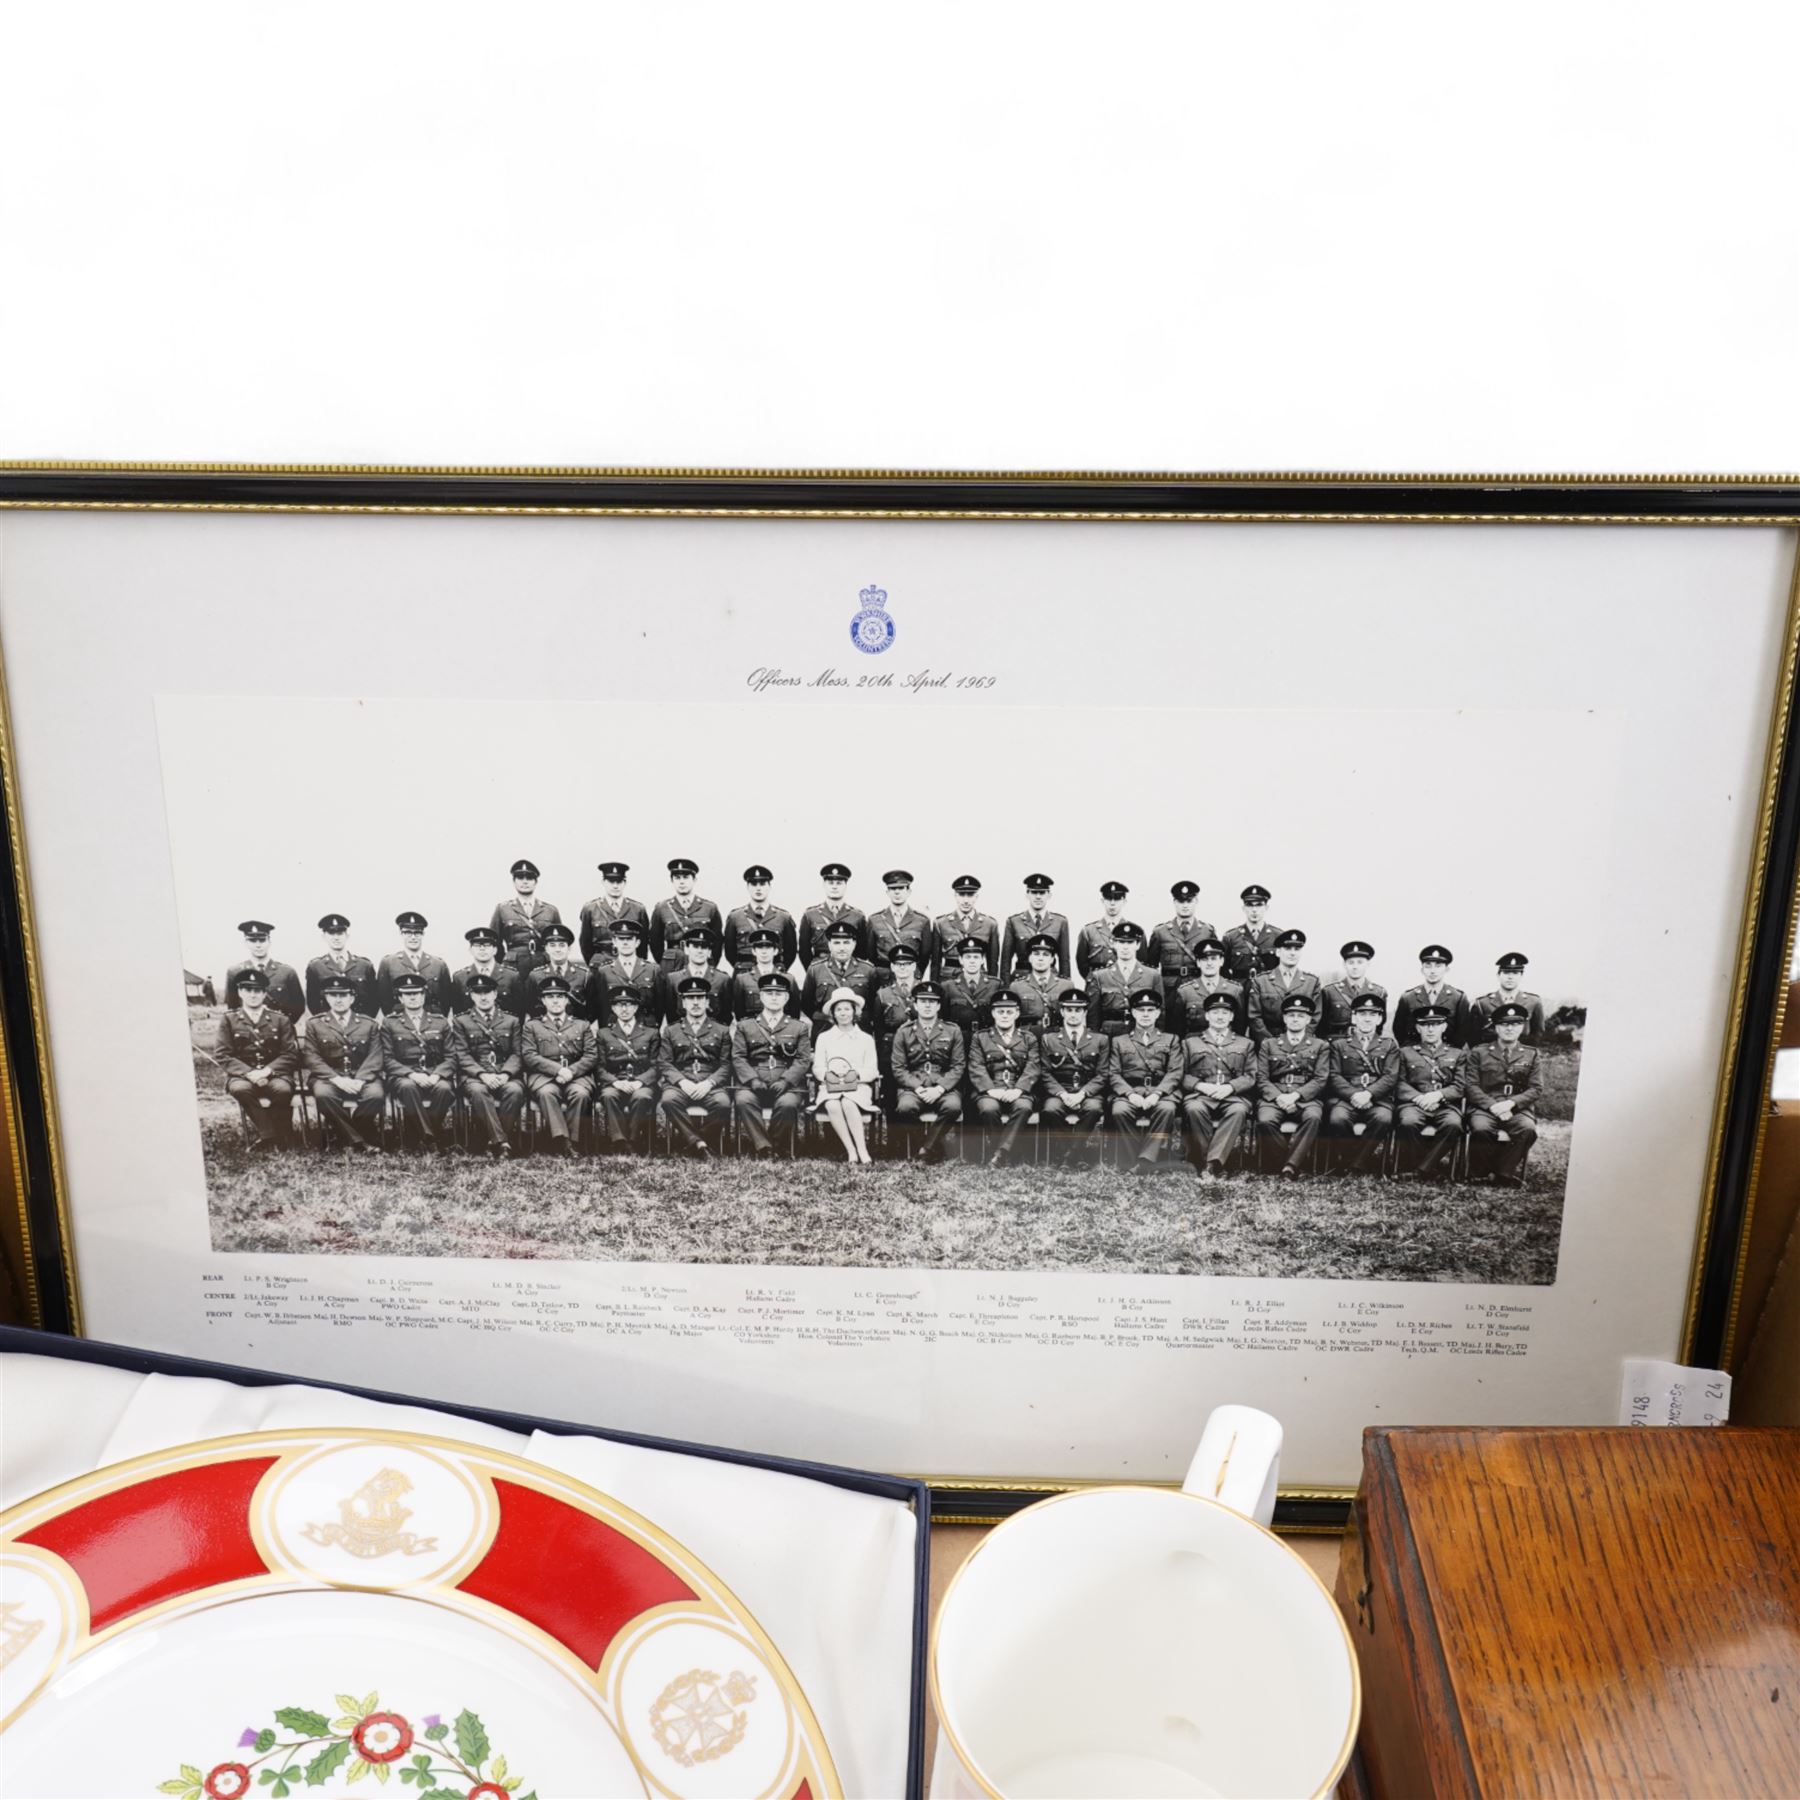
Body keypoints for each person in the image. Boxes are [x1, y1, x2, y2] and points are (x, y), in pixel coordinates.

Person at [216, 968, 299, 1152]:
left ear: (264, 993)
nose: (253, 995)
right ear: (239, 992)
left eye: (258, 991)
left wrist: (267, 1071)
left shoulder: (280, 1019)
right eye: (248, 990)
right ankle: (272, 1136)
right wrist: (249, 1073)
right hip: (243, 1075)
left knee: (283, 1090)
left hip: (275, 1074)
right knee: (240, 1089)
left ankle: (275, 1135)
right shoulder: (229, 1020)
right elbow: (223, 1054)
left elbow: (289, 1054)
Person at [301, 974, 385, 1153]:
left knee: (375, 1095)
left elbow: (375, 1056)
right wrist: (337, 1079)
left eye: (343, 995)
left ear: (352, 998)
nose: (338, 1000)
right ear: (326, 997)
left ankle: (345, 1135)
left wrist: (360, 1080)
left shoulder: (368, 1024)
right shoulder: (314, 1024)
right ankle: (359, 1141)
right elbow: (312, 1057)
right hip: (328, 1077)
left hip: (361, 1076)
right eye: (333, 995)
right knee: (324, 1095)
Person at [732, 973, 812, 1158]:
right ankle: (765, 1147)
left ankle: (772, 1144)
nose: (774, 998)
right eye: (769, 993)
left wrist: (786, 1081)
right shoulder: (746, 1026)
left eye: (779, 994)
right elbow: (738, 1057)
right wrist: (752, 1080)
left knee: (788, 1105)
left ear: (786, 998)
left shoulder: (798, 1027)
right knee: (743, 1100)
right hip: (754, 1082)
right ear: (761, 997)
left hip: (786, 1085)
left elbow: (803, 1059)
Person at [1180, 990, 1256, 1182]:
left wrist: (1230, 1087)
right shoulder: (1190, 1043)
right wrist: (1200, 1086)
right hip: (1201, 1095)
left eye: (1224, 1013)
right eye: (1215, 1012)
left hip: (1231, 1096)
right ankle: (1213, 1163)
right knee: (1194, 1109)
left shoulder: (1245, 1043)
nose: (1220, 1017)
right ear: (1207, 1015)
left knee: (1238, 1111)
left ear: (1231, 1016)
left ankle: (1211, 1164)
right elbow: (1180, 1074)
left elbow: (1251, 1075)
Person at [1464, 1002, 1540, 1185]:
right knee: (1481, 1128)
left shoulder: (1532, 1054)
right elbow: (1471, 1085)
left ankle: (1503, 1173)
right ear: (1496, 1027)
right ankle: (1480, 1174)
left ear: (1522, 1027)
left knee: (1527, 1129)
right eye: (1504, 1024)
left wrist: (1510, 1104)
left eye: (1515, 1024)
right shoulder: (1479, 1052)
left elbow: (1536, 1088)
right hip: (1485, 1106)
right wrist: (1493, 1106)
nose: (1509, 1029)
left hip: (1516, 1108)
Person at [450, 972, 525, 1158]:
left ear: (495, 994)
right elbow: (462, 1054)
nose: (483, 997)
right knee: (478, 1092)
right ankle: (502, 1142)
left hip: (504, 1073)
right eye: (478, 993)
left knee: (515, 1091)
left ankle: (490, 1141)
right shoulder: (461, 1021)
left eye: (487, 992)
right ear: (471, 995)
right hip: (476, 1076)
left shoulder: (512, 1020)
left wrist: (506, 1074)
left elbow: (517, 1053)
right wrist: (483, 1075)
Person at [658, 975, 734, 1158]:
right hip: (681, 1083)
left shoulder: (721, 1030)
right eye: (690, 998)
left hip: (709, 1083)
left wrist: (709, 1083)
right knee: (668, 1100)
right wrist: (682, 1082)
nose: (695, 1003)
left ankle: (694, 1141)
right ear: (683, 1003)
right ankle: (699, 1143)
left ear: (707, 1001)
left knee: (723, 1104)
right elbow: (664, 1062)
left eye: (700, 998)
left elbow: (726, 1064)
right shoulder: (671, 1030)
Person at [890, 979, 966, 1162]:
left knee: (953, 1107)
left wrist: (940, 1088)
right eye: (923, 1001)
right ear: (915, 1004)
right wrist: (917, 1087)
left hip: (942, 1084)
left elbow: (958, 1066)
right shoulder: (904, 1031)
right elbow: (898, 1067)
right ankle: (926, 1146)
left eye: (932, 1002)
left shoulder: (952, 1030)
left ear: (939, 1005)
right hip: (914, 1085)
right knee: (905, 1108)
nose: (927, 1006)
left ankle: (926, 1149)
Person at [380, 971, 456, 1153]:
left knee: (445, 1089)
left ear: (423, 995)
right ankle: (430, 1137)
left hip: (434, 1071)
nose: (413, 997)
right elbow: (387, 1058)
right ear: (400, 997)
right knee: (408, 1087)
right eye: (407, 994)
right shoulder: (390, 1023)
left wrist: (437, 1074)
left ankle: (419, 1136)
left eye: (417, 993)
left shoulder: (440, 1022)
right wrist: (412, 1074)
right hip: (404, 1074)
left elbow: (451, 1057)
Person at [523, 974, 598, 1157]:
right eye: (550, 997)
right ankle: (563, 1142)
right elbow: (529, 1055)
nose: (555, 1001)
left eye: (559, 997)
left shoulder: (582, 1025)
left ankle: (573, 1140)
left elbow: (591, 1055)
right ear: (543, 1000)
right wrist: (557, 1070)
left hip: (576, 1076)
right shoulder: (532, 1026)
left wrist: (570, 1072)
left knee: (580, 1094)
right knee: (547, 1093)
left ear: (566, 1000)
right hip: (545, 1076)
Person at [1256, 993, 1330, 1179]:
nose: (1295, 1019)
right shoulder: (1269, 1044)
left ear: (1308, 1020)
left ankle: (1289, 1166)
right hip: (1275, 1096)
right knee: (1265, 1120)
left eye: (1300, 1016)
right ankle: (1290, 1160)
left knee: (1313, 1117)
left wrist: (1295, 1096)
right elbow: (1262, 1077)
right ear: (1284, 1018)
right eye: (1291, 1015)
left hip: (1305, 1098)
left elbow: (1320, 1079)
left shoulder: (1319, 1045)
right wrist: (1279, 1097)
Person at [1109, 990, 1184, 1172]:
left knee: (1166, 1109)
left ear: (1158, 1013)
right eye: (1140, 1011)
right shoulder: (1120, 1041)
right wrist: (1130, 1094)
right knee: (1120, 1110)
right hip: (1131, 1090)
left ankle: (1146, 1160)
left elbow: (1175, 1071)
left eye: (1150, 1011)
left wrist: (1158, 1093)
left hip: (1161, 1091)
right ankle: (1134, 1156)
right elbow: (1113, 1073)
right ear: (1133, 1013)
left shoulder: (1170, 1039)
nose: (1145, 1015)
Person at [1327, 993, 1400, 1174]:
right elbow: (1334, 1075)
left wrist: (1369, 1094)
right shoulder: (1339, 1045)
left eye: (1372, 1014)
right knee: (1337, 1119)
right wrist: (1353, 1095)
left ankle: (1355, 1163)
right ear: (1353, 1017)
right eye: (1362, 1014)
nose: (1367, 1019)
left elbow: (1390, 1076)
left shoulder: (1389, 1045)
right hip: (1347, 1098)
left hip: (1377, 1098)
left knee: (1383, 1118)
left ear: (1380, 1018)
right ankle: (1353, 1158)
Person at [969, 989, 1040, 1168]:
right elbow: (976, 1066)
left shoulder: (1028, 1038)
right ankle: (1001, 1152)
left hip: (1018, 1089)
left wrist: (1018, 1090)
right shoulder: (981, 1037)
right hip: (991, 1089)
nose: (1005, 1016)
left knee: (1024, 1107)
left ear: (1017, 1013)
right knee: (988, 1108)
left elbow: (1033, 1067)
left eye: (1009, 1012)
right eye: (1000, 1012)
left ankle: (1000, 1154)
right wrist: (991, 1089)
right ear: (993, 1013)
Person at [1038, 987, 1110, 1163]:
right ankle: (1074, 1153)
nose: (1073, 1014)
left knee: (1094, 1109)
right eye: (1069, 1010)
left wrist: (1082, 1094)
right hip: (1060, 1091)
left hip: (1087, 1092)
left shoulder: (1100, 1039)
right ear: (1062, 1011)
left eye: (1078, 1010)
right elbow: (1045, 1072)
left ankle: (1069, 1156)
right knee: (1050, 1109)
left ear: (1085, 1012)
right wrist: (1062, 1094)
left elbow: (1102, 1074)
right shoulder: (1050, 1039)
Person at [1396, 1003, 1466, 1180]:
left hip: (1446, 1105)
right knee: (1408, 1122)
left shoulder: (1458, 1054)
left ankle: (1422, 1169)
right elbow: (1399, 1083)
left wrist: (1439, 1095)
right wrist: (1419, 1098)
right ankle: (1423, 1166)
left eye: (1435, 1025)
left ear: (1443, 1027)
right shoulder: (1405, 1053)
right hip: (1414, 1104)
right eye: (1425, 1025)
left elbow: (1460, 1085)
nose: (1430, 1029)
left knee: (1454, 1125)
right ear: (1418, 1028)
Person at [812, 988, 880, 1164]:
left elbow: (872, 1070)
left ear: (855, 1011)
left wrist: (855, 1075)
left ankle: (862, 1150)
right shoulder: (824, 1038)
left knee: (849, 1102)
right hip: (831, 1086)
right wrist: (829, 1075)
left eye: (847, 1009)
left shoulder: (866, 1039)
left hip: (858, 1087)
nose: (843, 1013)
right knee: (833, 1104)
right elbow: (818, 1067)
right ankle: (851, 1151)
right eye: (839, 1010)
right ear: (833, 1013)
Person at [593, 988, 660, 1154]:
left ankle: (633, 1139)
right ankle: (619, 1141)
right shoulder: (604, 1033)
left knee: (642, 1096)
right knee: (609, 1096)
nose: (624, 1009)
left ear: (636, 1008)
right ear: (613, 1009)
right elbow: (599, 1066)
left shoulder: (651, 1033)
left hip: (641, 1081)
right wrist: (616, 1082)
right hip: (615, 1081)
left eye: (628, 1005)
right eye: (619, 1005)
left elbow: (656, 1066)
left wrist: (640, 1081)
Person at [801, 918, 882, 1033]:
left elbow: (874, 1005)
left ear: (854, 944)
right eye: (837, 943)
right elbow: (806, 1004)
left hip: (858, 1031)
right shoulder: (815, 969)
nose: (842, 948)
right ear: (829, 945)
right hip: (825, 1029)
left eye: (846, 942)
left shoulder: (868, 970)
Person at [1087, 921, 1165, 1037]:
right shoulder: (1099, 976)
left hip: (1141, 1035)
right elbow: (1093, 1017)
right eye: (1121, 942)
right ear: (1113, 944)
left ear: (1138, 945)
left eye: (1130, 942)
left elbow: (1161, 1014)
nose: (1125, 947)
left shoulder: (1153, 975)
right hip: (1110, 1035)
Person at [489, 858, 562, 974]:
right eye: (520, 878)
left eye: (529, 878)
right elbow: (494, 942)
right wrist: (505, 962)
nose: (525, 882)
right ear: (514, 882)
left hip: (543, 965)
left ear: (535, 882)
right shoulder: (502, 909)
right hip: (513, 967)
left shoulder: (550, 910)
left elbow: (560, 940)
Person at [1247, 929, 1322, 1043]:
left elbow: (1315, 1017)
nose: (1292, 953)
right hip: (1267, 1043)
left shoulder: (1311, 982)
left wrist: (1300, 1040)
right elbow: (1254, 1017)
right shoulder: (1261, 981)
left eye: (1297, 949)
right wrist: (1271, 1044)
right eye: (1287, 949)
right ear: (1278, 952)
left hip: (1300, 1044)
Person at [1147, 881, 1218, 998]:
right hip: (1169, 992)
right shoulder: (1160, 932)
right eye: (1181, 901)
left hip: (1198, 990)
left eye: (1189, 901)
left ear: (1196, 902)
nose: (1185, 905)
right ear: (1175, 902)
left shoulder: (1207, 932)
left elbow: (1216, 966)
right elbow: (1151, 968)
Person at [649, 858, 723, 971]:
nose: (681, 882)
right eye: (677, 878)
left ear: (694, 880)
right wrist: (666, 962)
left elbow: (717, 942)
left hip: (701, 962)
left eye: (686, 877)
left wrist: (710, 963)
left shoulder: (709, 908)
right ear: (672, 881)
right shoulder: (662, 908)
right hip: (672, 964)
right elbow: (655, 942)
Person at [723, 864, 798, 974]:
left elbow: (791, 951)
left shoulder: (783, 918)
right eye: (754, 884)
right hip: (743, 974)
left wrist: (779, 969)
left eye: (762, 884)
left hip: (774, 974)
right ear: (748, 887)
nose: (758, 888)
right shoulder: (735, 917)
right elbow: (729, 951)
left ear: (769, 886)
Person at [225, 920, 306, 1021]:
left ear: (269, 941)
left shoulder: (287, 972)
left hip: (281, 1033)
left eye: (262, 940)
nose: (258, 945)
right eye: (253, 940)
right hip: (248, 1033)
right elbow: (233, 1007)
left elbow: (299, 1007)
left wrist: (283, 1026)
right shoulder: (235, 972)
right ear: (246, 942)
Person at [376, 912, 455, 1017]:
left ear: (423, 934)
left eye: (417, 933)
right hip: (400, 1023)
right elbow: (384, 999)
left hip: (433, 1021)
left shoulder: (438, 964)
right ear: (401, 934)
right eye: (408, 933)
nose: (413, 937)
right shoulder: (388, 963)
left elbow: (446, 1000)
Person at [1393, 945, 1472, 1047]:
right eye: (1428, 966)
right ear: (1422, 969)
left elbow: (1463, 1031)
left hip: (1448, 1055)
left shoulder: (1458, 997)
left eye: (1438, 966)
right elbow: (1399, 1030)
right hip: (1416, 1055)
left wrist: (1450, 1053)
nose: (1432, 971)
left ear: (1446, 969)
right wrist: (1412, 1053)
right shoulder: (1408, 997)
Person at [656, 926, 733, 1026]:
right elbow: (671, 1017)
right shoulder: (673, 979)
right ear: (686, 950)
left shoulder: (723, 980)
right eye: (695, 946)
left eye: (704, 947)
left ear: (709, 952)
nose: (700, 951)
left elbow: (726, 1017)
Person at [577, 860, 651, 966]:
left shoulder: (638, 909)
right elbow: (585, 943)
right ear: (603, 882)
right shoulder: (590, 909)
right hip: (601, 964)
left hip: (629, 964)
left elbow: (643, 943)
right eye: (611, 881)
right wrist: (594, 963)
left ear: (625, 883)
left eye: (619, 881)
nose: (615, 886)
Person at [304, 913, 377, 1017]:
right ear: (324, 936)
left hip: (360, 1026)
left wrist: (364, 1025)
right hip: (329, 1027)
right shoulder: (316, 967)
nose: (336, 938)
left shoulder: (364, 965)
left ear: (347, 935)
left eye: (340, 933)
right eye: (331, 933)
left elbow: (374, 1001)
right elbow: (313, 1003)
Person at [1000, 874, 1071, 979]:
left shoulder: (1060, 922)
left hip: (1050, 980)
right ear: (1027, 894)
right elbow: (1005, 961)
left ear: (1049, 895)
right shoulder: (1014, 922)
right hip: (1021, 979)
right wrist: (1005, 987)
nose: (1038, 896)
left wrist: (1065, 987)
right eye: (1034, 892)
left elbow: (1064, 961)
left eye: (1042, 893)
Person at [1170, 938, 1244, 1038]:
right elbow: (1177, 1029)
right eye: (1204, 959)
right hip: (1195, 1047)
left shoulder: (1235, 990)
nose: (1209, 963)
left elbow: (1240, 1027)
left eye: (1213, 959)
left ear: (1221, 961)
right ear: (1198, 963)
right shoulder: (1185, 992)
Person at [798, 862, 866, 969]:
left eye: (839, 883)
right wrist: (813, 972)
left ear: (845, 885)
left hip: (849, 970)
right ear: (824, 885)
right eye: (831, 883)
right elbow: (804, 951)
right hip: (821, 969)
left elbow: (863, 950)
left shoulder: (857, 916)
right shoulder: (810, 915)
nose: (834, 887)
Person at [588, 916, 658, 1019]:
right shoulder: (604, 972)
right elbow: (602, 1008)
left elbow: (659, 1007)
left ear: (637, 942)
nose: (625, 942)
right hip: (614, 1030)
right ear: (614, 942)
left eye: (629, 939)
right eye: (621, 939)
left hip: (646, 1030)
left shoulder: (652, 970)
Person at [866, 869, 935, 973]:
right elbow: (870, 954)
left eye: (901, 888)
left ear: (908, 892)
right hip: (883, 978)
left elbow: (925, 955)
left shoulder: (922, 921)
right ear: (887, 892)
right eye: (893, 888)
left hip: (910, 976)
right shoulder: (875, 920)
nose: (897, 892)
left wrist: (916, 974)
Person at [451, 926, 529, 1018]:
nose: (482, 949)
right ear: (470, 950)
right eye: (477, 945)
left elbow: (519, 1012)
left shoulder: (512, 976)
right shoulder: (460, 978)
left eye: (487, 945)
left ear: (495, 950)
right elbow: (458, 1013)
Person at [1007, 933, 1079, 1032]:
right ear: (1030, 958)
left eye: (1045, 955)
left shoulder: (1066, 986)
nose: (1040, 958)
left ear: (1052, 959)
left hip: (1056, 1038)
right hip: (1027, 1037)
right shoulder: (1016, 987)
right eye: (1036, 954)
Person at [1471, 953, 1547, 1045]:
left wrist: (1528, 1054)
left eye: (1515, 973)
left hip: (1522, 1055)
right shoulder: (1482, 1003)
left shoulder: (1533, 1001)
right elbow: (1473, 1036)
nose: (1510, 977)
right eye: (1506, 972)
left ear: (1521, 976)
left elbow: (1538, 1032)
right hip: (1489, 1055)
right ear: (1498, 975)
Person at [933, 874, 999, 979]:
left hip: (979, 980)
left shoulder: (989, 924)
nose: (966, 900)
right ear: (955, 896)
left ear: (976, 896)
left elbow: (993, 962)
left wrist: (992, 986)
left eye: (970, 895)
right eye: (961, 894)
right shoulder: (941, 923)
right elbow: (935, 963)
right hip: (949, 978)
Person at [527, 923, 596, 1019]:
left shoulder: (584, 976)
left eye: (562, 945)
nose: (557, 950)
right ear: (546, 948)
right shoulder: (535, 976)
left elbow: (592, 1011)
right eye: (552, 945)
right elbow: (531, 1008)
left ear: (569, 948)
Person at [942, 935, 1003, 1042]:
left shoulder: (995, 985)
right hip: (958, 1040)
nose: (972, 961)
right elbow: (943, 1020)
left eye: (976, 957)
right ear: (961, 960)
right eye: (968, 957)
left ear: (982, 960)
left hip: (987, 1040)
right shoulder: (948, 986)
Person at [1320, 941, 1385, 1041]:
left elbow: (1379, 1026)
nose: (1355, 967)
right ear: (1344, 964)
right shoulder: (1329, 992)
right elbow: (1321, 1027)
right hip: (1335, 1046)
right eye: (1351, 962)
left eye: (1360, 962)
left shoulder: (1379, 992)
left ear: (1368, 964)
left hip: (1365, 1046)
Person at [732, 928, 800, 1021]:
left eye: (768, 947)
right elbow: (739, 1013)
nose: (764, 952)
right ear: (754, 951)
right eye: (760, 947)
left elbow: (794, 1014)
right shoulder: (742, 980)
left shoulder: (788, 979)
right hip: (752, 1030)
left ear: (775, 951)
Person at [1222, 885, 1281, 986]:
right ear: (1244, 908)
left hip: (1268, 992)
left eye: (1259, 905)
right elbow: (1222, 971)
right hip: (1240, 993)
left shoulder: (1277, 936)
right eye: (1249, 905)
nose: (1254, 910)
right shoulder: (1231, 937)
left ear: (1266, 907)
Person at [1076, 881, 1131, 980]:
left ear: (1124, 902)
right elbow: (1082, 963)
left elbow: (1141, 961)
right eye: (1109, 898)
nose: (1112, 903)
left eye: (1117, 899)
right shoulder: (1088, 931)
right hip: (1097, 984)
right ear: (1102, 901)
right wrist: (1093, 981)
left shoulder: (1133, 932)